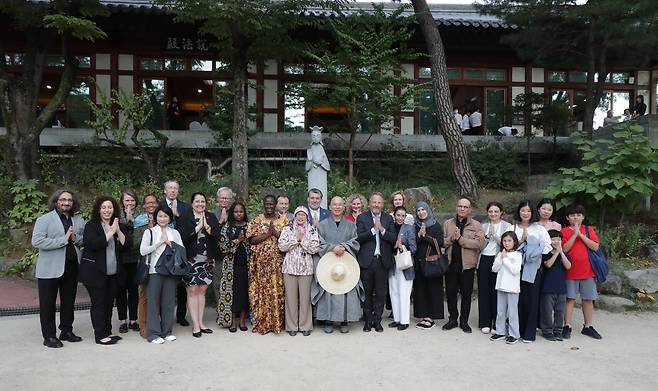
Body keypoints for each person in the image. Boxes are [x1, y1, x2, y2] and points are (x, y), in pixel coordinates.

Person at [32, 188, 86, 348]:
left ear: (73, 203)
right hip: (49, 269)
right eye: (63, 200)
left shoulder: (79, 220)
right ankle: (49, 336)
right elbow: (37, 241)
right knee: (47, 304)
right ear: (56, 202)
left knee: (68, 302)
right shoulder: (44, 220)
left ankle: (66, 331)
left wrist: (76, 238)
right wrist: (62, 240)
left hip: (71, 268)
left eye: (69, 200)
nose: (66, 202)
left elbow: (82, 240)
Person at [79, 196, 131, 345]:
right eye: (103, 207)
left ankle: (107, 332)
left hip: (113, 273)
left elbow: (127, 244)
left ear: (114, 209)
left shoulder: (118, 225)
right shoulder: (92, 225)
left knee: (109, 303)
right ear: (98, 210)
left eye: (109, 207)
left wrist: (118, 230)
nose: (107, 210)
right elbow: (92, 244)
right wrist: (110, 233)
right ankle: (100, 335)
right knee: (99, 304)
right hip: (95, 273)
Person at [311, 196, 363, 334]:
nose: (337, 207)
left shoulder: (351, 226)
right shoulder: (322, 225)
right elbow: (318, 242)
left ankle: (344, 320)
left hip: (346, 263)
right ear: (330, 206)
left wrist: (344, 247)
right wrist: (332, 248)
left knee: (346, 289)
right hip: (328, 264)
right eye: (334, 204)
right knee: (328, 290)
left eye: (340, 204)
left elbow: (356, 241)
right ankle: (328, 320)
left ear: (343, 207)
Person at [505, 200, 552, 343]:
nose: (525, 213)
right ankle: (515, 331)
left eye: (528, 211)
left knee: (531, 300)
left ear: (533, 213)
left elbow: (548, 247)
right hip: (514, 269)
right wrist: (522, 241)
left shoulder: (539, 229)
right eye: (523, 210)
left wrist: (534, 253)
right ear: (518, 212)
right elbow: (506, 245)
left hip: (532, 269)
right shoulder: (512, 228)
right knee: (516, 300)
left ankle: (529, 333)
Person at [178, 192, 221, 337]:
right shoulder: (185, 217)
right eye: (197, 201)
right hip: (191, 260)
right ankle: (195, 325)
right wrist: (197, 228)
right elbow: (182, 238)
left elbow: (217, 236)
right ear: (192, 203)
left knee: (202, 291)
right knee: (192, 291)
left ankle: (201, 323)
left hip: (207, 260)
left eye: (203, 201)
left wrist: (207, 227)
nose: (200, 204)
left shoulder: (211, 217)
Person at [140, 205, 184, 344]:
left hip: (171, 271)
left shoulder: (175, 232)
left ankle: (167, 331)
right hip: (154, 271)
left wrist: (171, 244)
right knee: (153, 302)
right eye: (160, 216)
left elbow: (181, 251)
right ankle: (153, 334)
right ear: (155, 217)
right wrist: (159, 243)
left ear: (170, 218)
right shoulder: (150, 232)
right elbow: (143, 251)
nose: (163, 218)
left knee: (169, 302)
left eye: (165, 216)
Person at [247, 195, 289, 334]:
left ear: (276, 204)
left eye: (272, 204)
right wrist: (267, 235)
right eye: (267, 204)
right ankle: (263, 323)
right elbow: (251, 240)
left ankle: (277, 323)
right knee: (262, 292)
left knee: (278, 291)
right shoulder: (257, 220)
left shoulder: (284, 220)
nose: (269, 206)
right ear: (263, 204)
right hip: (261, 265)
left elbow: (288, 240)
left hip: (278, 264)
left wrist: (275, 233)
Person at [356, 192, 397, 332]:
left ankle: (377, 321)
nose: (376, 205)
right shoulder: (362, 218)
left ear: (382, 204)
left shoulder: (388, 218)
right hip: (367, 261)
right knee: (367, 293)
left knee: (380, 293)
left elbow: (393, 238)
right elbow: (358, 238)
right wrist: (373, 230)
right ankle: (368, 321)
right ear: (369, 203)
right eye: (374, 202)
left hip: (382, 261)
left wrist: (382, 230)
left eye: (379, 203)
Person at [442, 197, 484, 333]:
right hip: (450, 264)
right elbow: (442, 242)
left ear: (469, 209)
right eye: (460, 206)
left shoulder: (476, 225)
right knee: (451, 293)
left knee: (466, 294)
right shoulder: (448, 223)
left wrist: (460, 239)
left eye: (465, 207)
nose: (462, 209)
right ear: (456, 207)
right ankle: (453, 319)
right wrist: (451, 239)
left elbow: (478, 244)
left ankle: (464, 321)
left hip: (467, 266)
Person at [561, 204, 602, 340]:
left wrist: (581, 235)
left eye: (578, 215)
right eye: (572, 215)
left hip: (588, 271)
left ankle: (588, 326)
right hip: (570, 271)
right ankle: (567, 325)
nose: (576, 217)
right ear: (567, 218)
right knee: (570, 299)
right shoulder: (565, 231)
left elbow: (595, 247)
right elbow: (564, 249)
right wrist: (574, 235)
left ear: (583, 217)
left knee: (588, 299)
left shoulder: (589, 230)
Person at [278, 206, 320, 336]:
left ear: (307, 217)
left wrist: (302, 240)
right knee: (290, 298)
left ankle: (305, 325)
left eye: (303, 215)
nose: (301, 217)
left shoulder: (312, 230)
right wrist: (295, 239)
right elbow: (281, 246)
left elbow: (315, 248)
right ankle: (291, 326)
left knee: (305, 298)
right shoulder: (287, 229)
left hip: (306, 269)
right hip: (289, 268)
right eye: (298, 215)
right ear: (294, 216)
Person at [158, 180, 191, 326]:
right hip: (163, 249)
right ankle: (163, 317)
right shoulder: (160, 206)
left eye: (175, 188)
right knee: (164, 287)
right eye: (169, 188)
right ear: (164, 190)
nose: (172, 190)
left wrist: (178, 215)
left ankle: (181, 316)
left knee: (181, 286)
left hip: (182, 248)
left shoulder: (185, 207)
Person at [478, 201, 512, 334]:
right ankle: (484, 322)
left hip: (499, 260)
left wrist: (496, 237)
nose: (493, 214)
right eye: (491, 211)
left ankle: (497, 322)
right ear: (487, 212)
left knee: (497, 292)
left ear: (501, 213)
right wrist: (487, 237)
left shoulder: (507, 226)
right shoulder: (482, 226)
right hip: (485, 259)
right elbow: (478, 246)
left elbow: (508, 244)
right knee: (484, 291)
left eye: (496, 211)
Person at [217, 202, 250, 332]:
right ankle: (232, 321)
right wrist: (238, 240)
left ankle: (242, 320)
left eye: (241, 212)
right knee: (231, 293)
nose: (239, 214)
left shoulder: (249, 226)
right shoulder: (226, 227)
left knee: (243, 293)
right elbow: (222, 246)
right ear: (232, 213)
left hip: (245, 265)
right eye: (236, 212)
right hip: (230, 266)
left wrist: (245, 240)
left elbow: (253, 245)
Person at [412, 202, 444, 330]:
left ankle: (431, 317)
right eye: (418, 210)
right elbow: (412, 242)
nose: (421, 212)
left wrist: (426, 236)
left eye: (423, 209)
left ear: (428, 210)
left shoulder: (435, 225)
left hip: (432, 263)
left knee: (433, 289)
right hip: (419, 262)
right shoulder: (415, 226)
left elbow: (441, 242)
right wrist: (419, 235)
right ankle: (423, 315)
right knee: (420, 290)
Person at [489, 231, 523, 345]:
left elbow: (515, 270)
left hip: (512, 288)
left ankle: (514, 334)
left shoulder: (518, 255)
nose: (507, 243)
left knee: (512, 312)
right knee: (500, 311)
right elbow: (494, 269)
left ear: (514, 242)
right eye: (504, 241)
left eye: (509, 241)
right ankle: (500, 331)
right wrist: (500, 258)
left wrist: (505, 259)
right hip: (501, 287)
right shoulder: (500, 254)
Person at [115, 189, 140, 333]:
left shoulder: (141, 217)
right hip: (120, 258)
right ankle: (122, 320)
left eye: (132, 200)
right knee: (120, 290)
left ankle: (133, 320)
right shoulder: (116, 216)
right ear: (122, 202)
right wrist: (128, 222)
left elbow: (136, 238)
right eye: (127, 200)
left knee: (133, 290)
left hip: (135, 258)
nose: (130, 203)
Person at [388, 206, 417, 331]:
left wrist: (401, 246)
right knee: (393, 292)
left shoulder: (409, 228)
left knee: (404, 293)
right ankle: (397, 319)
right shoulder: (390, 227)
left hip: (405, 264)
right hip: (392, 264)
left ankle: (404, 321)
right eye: (398, 215)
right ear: (394, 215)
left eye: (403, 216)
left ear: (405, 217)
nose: (400, 218)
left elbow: (414, 248)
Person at [540, 229, 572, 341]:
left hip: (561, 288)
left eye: (558, 239)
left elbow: (568, 266)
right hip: (548, 287)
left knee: (560, 311)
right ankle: (547, 331)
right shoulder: (545, 254)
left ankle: (558, 330)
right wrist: (557, 252)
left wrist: (561, 252)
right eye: (553, 239)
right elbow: (548, 265)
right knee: (547, 311)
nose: (556, 242)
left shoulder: (566, 255)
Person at [135, 194, 158, 338]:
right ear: (144, 206)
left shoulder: (163, 216)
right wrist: (148, 231)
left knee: (158, 296)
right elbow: (136, 243)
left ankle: (156, 323)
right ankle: (143, 325)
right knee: (144, 295)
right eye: (148, 203)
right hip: (145, 262)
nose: (151, 205)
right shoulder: (139, 220)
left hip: (161, 263)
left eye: (154, 203)